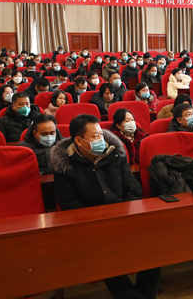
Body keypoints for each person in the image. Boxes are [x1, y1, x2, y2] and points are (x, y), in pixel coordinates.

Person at [50, 114, 161, 298]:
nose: (101, 139)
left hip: (124, 217)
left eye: (101, 134)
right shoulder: (65, 165)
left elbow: (134, 189)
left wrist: (123, 213)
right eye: (95, 136)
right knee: (106, 256)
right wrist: (100, 220)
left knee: (153, 248)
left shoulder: (115, 154)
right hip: (91, 226)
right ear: (79, 140)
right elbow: (68, 204)